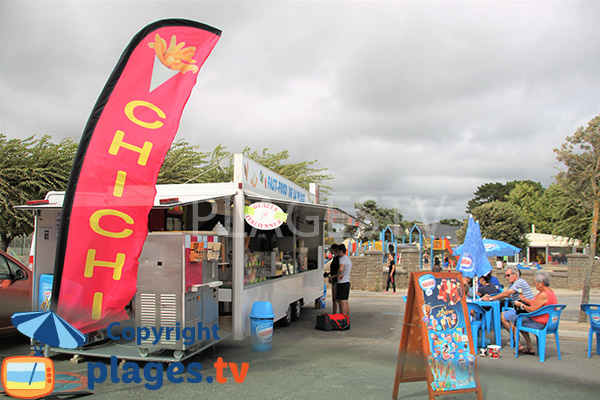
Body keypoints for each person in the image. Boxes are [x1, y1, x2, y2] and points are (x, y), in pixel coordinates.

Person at [512, 270, 558, 355]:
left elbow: (531, 309)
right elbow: (536, 303)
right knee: (521, 319)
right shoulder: (550, 293)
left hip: (541, 323)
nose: (534, 285)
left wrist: (521, 305)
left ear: (541, 283)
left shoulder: (543, 295)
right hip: (550, 322)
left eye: (535, 283)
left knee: (516, 321)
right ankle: (529, 347)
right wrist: (525, 300)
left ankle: (523, 346)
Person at [482, 267, 534, 335]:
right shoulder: (513, 284)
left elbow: (507, 293)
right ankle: (525, 343)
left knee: (502, 317)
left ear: (515, 275)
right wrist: (491, 297)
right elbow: (506, 295)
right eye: (505, 276)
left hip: (526, 310)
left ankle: (516, 338)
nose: (506, 277)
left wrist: (491, 299)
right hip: (521, 309)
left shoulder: (519, 282)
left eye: (508, 275)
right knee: (503, 313)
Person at [336, 244, 352, 316]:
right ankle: (346, 317)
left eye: (338, 251)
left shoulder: (342, 259)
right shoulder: (348, 259)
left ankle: (342, 317)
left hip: (342, 282)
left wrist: (338, 275)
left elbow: (341, 269)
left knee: (341, 302)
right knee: (345, 301)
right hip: (347, 281)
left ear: (340, 251)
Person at [327, 244, 341, 314]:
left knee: (336, 299)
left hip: (336, 279)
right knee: (334, 298)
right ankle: (334, 312)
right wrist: (329, 273)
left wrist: (333, 276)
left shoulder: (338, 259)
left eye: (331, 249)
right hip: (334, 278)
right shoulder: (335, 258)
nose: (330, 251)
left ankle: (335, 313)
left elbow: (339, 270)